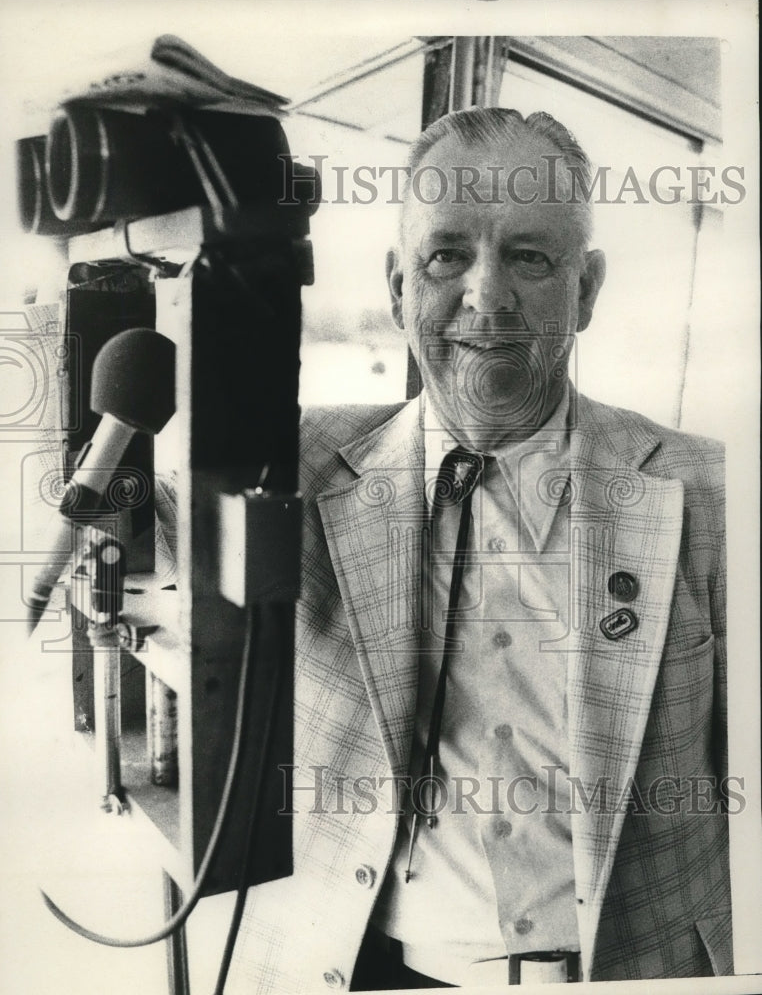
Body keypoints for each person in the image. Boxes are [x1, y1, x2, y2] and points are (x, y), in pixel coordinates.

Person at [227, 107, 729, 990]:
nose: (485, 295)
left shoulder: (714, 494)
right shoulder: (290, 466)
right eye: (446, 254)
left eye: (531, 257)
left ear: (587, 288)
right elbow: (104, 506)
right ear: (395, 287)